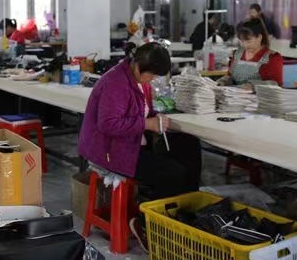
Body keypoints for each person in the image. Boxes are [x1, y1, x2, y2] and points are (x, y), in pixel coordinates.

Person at [78, 42, 201, 196]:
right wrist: (146, 124)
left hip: (132, 142)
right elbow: (108, 124)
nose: (153, 79)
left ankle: (188, 204)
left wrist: (155, 116)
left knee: (190, 146)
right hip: (109, 151)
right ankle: (155, 211)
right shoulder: (115, 83)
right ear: (138, 66)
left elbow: (141, 111)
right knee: (172, 173)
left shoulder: (140, 80)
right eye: (152, 75)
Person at [218, 18, 283, 89]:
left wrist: (254, 86)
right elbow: (231, 76)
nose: (245, 45)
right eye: (242, 41)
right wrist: (224, 81)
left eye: (248, 41)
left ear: (259, 37)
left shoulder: (272, 58)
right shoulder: (237, 54)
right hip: (235, 95)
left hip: (260, 96)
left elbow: (275, 84)